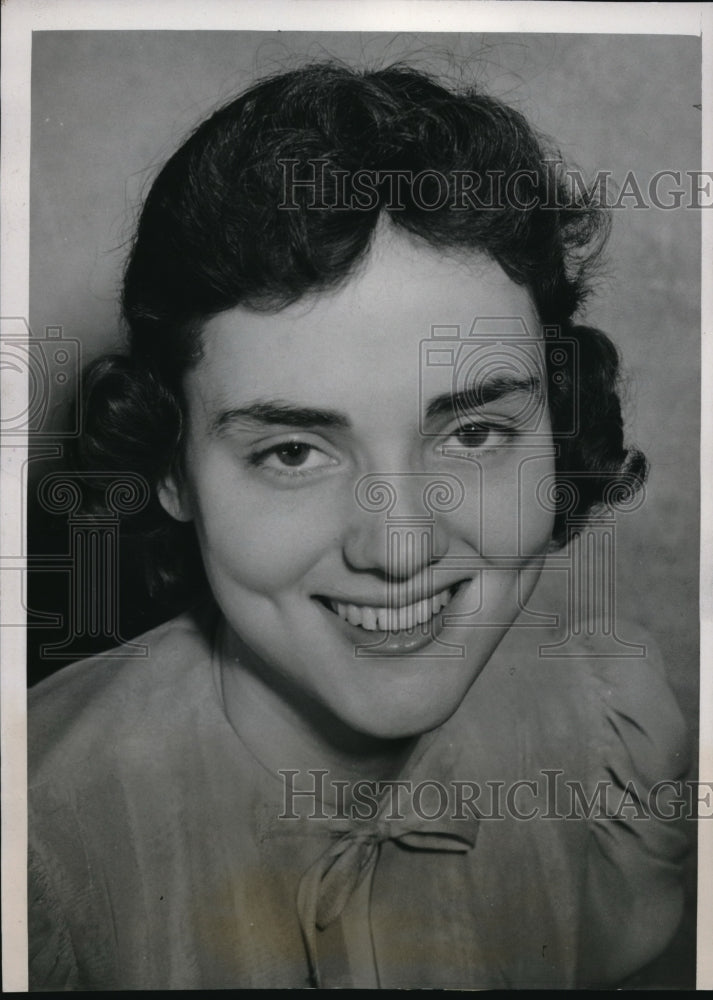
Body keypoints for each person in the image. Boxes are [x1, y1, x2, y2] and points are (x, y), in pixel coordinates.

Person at [28, 62, 690, 990]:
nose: (399, 546)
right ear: (172, 469)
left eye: (472, 433)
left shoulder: (610, 743)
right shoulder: (38, 846)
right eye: (293, 451)